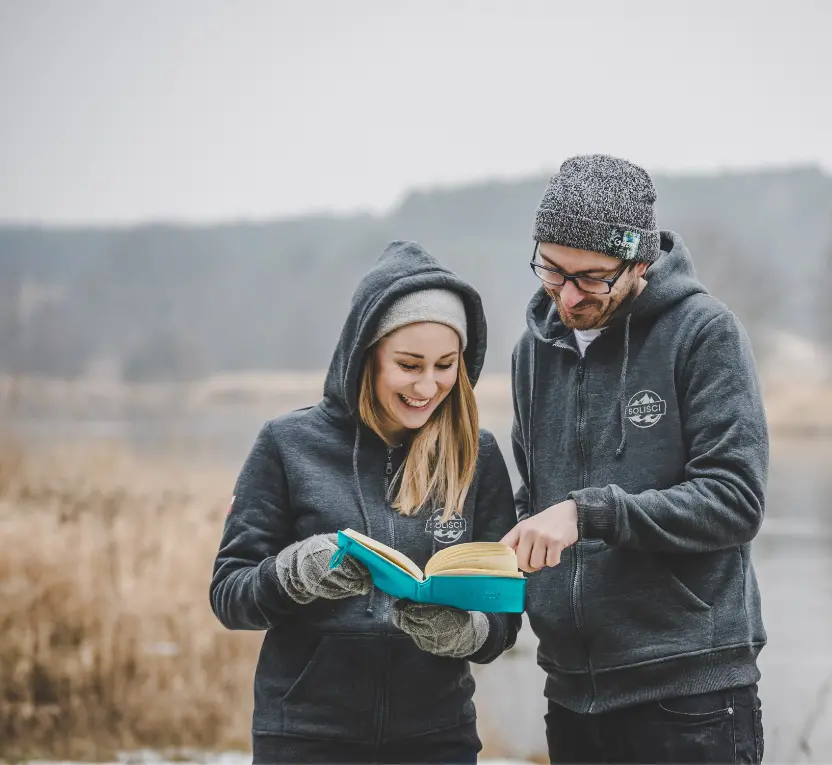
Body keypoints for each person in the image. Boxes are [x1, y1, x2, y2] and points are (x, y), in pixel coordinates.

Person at [501, 154, 769, 764]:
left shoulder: (704, 333)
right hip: (572, 693)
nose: (567, 295)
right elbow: (534, 501)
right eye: (552, 269)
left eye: (591, 277)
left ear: (639, 262)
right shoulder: (531, 353)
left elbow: (736, 501)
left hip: (689, 697)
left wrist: (588, 513)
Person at [209, 240, 521, 765]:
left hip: (438, 737)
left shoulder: (477, 455)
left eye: (446, 365)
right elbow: (230, 595)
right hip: (306, 736)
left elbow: (506, 619)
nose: (429, 385)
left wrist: (467, 633)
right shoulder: (287, 445)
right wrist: (293, 574)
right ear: (366, 355)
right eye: (408, 364)